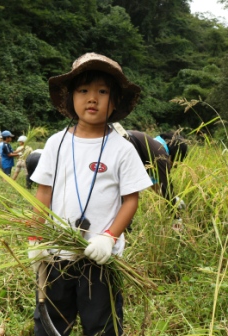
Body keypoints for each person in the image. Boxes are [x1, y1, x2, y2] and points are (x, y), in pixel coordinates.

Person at [29, 53, 152, 335]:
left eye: (102, 91)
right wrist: (35, 238)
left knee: (102, 325)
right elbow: (43, 193)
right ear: (70, 97)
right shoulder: (56, 143)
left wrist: (109, 237)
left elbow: (130, 199)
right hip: (57, 254)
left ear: (116, 100)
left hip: (99, 258)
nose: (92, 98)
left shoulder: (121, 148)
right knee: (51, 323)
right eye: (83, 90)